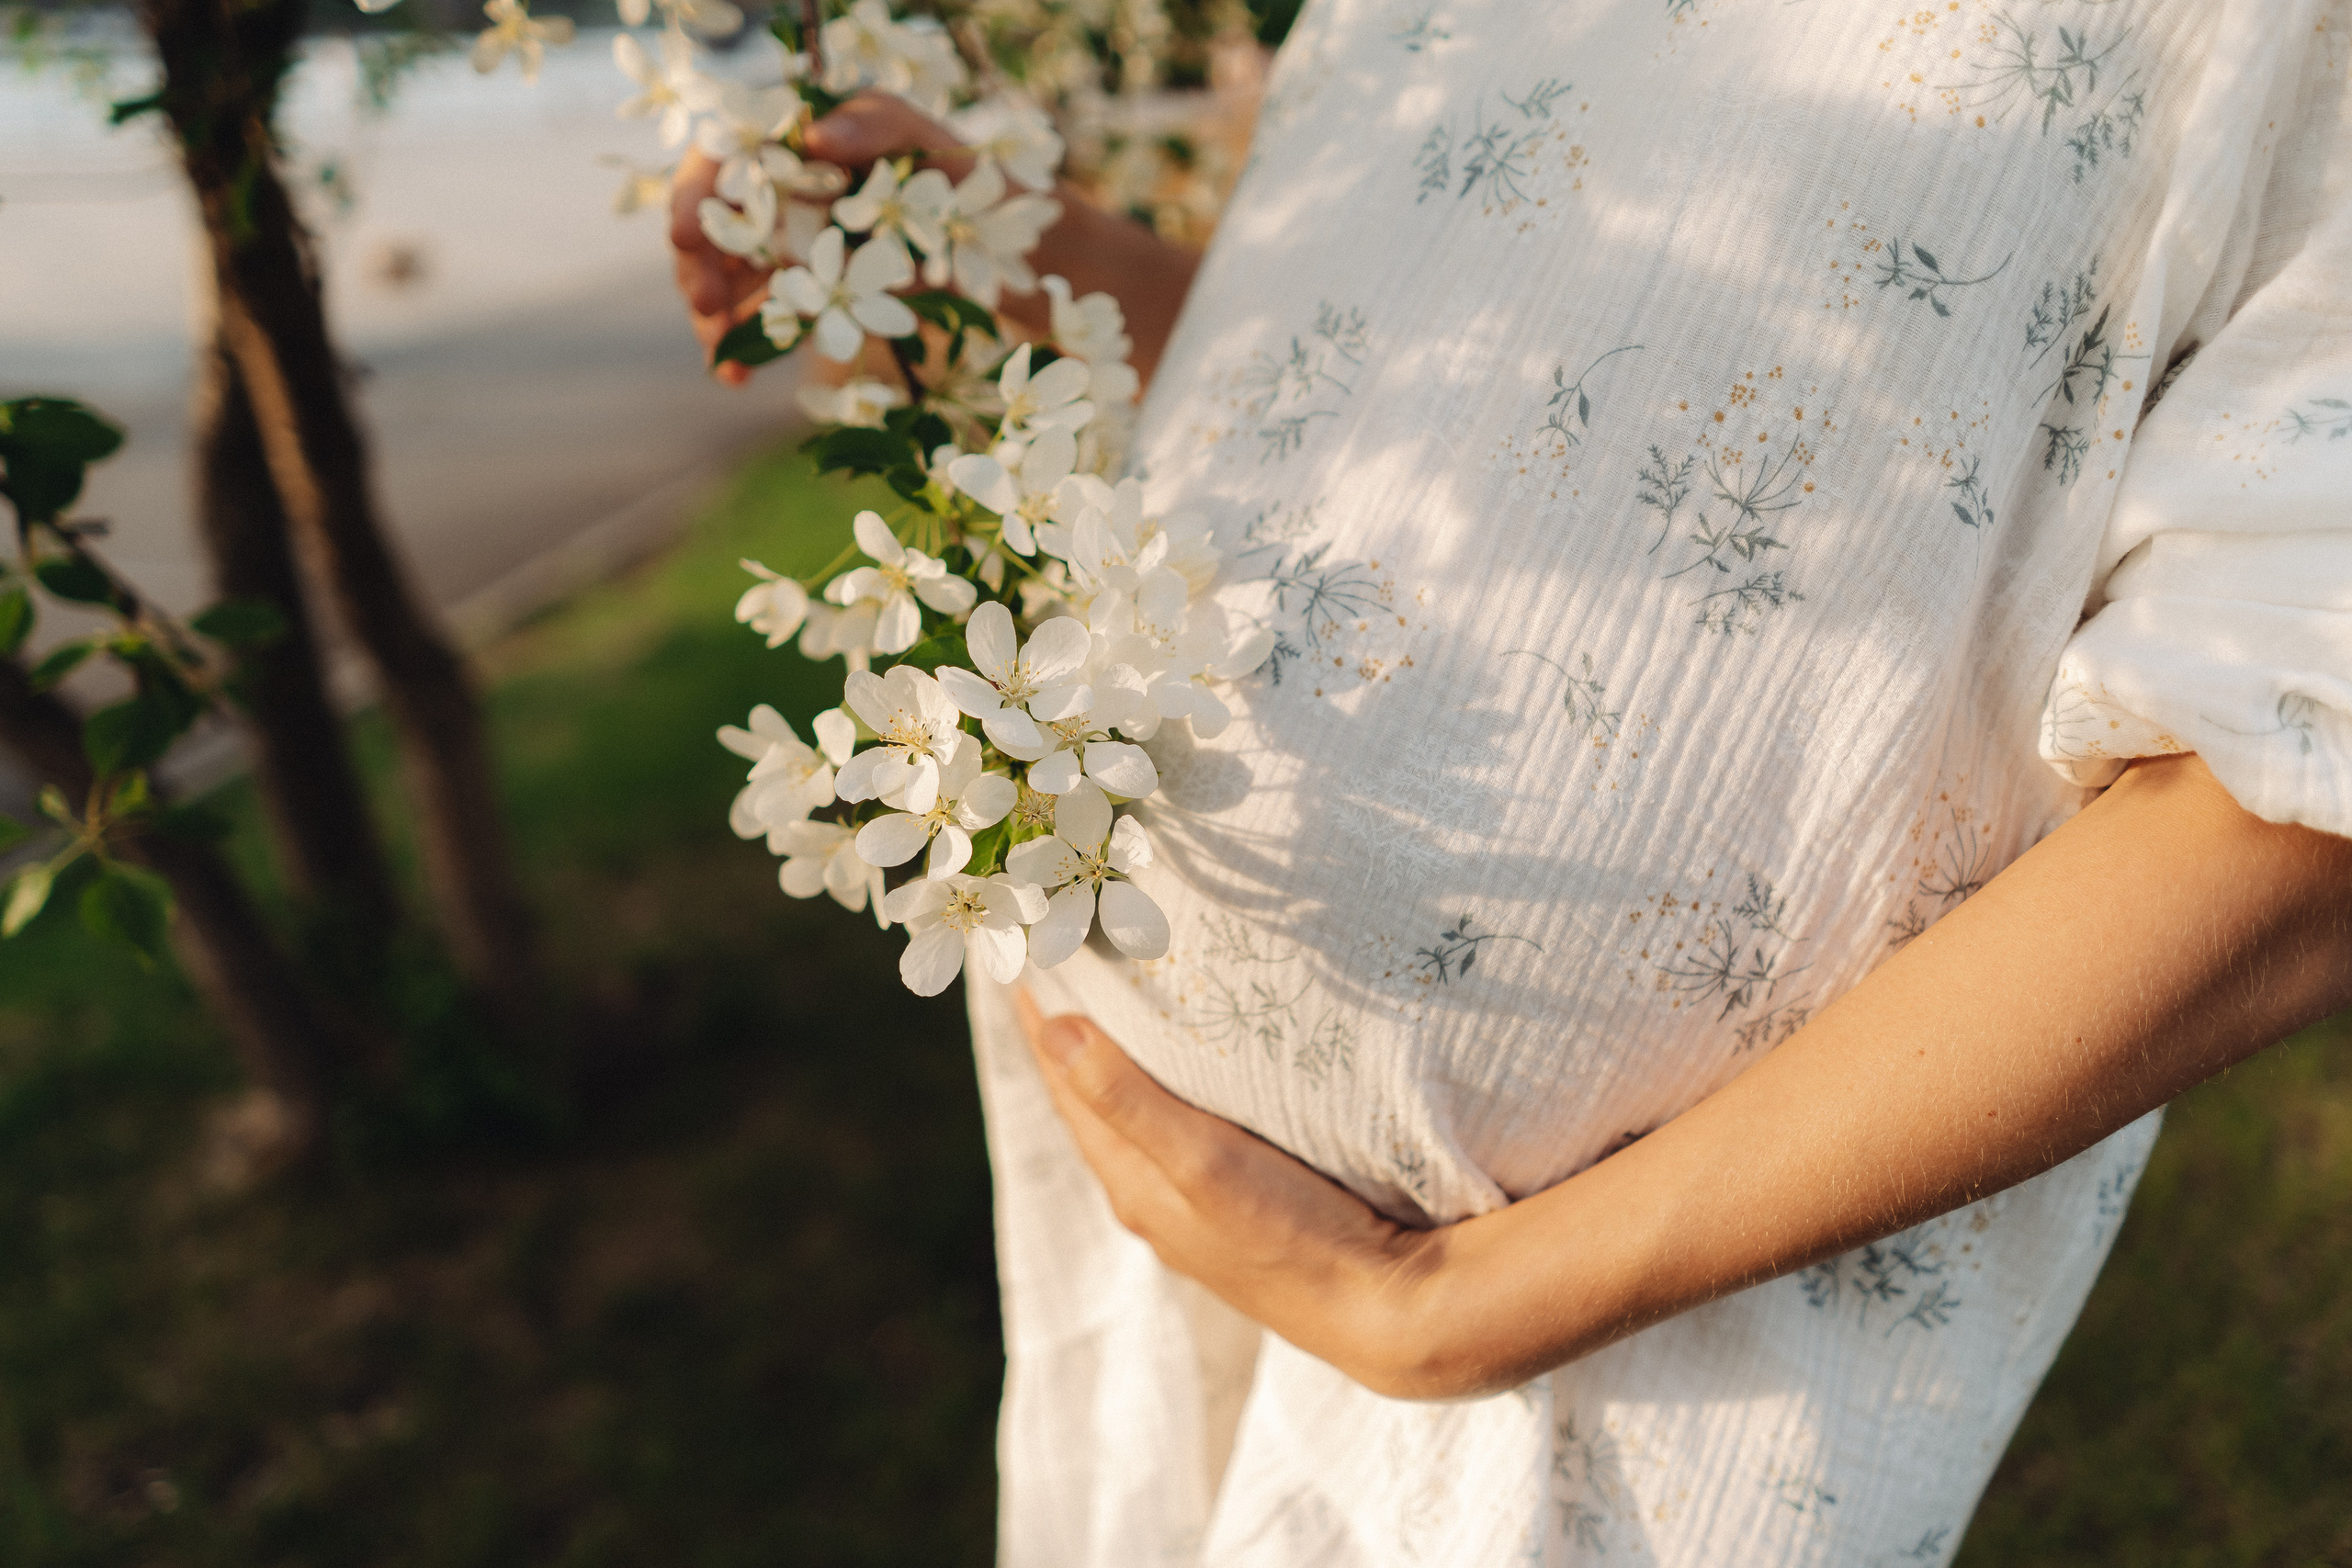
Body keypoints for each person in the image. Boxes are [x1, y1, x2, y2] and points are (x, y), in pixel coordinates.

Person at [673, 2, 2352, 1561]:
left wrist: (1458, 1307)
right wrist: (1041, 261)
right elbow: (1424, 382)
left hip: (1628, 1370)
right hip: (1176, 1268)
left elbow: (2299, 788)